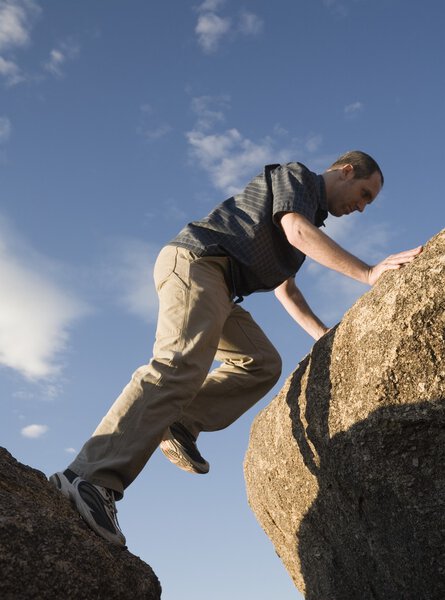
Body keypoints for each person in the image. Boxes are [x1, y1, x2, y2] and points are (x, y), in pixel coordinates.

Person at [49, 151, 421, 546]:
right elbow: (295, 230)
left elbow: (287, 291)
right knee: (178, 366)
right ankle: (87, 477)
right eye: (364, 194)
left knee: (261, 363)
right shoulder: (297, 179)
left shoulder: (308, 219)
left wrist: (325, 336)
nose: (361, 207)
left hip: (222, 289)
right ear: (346, 171)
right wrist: (367, 272)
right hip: (199, 263)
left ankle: (179, 421)